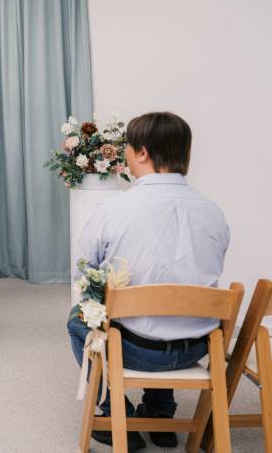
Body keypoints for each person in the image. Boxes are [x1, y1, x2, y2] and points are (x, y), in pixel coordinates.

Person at [67, 112, 230, 450]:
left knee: (78, 318)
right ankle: (160, 415)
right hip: (196, 347)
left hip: (136, 349)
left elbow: (84, 274)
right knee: (168, 309)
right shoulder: (214, 212)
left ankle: (118, 415)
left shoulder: (113, 209)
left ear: (142, 153)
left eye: (127, 147)